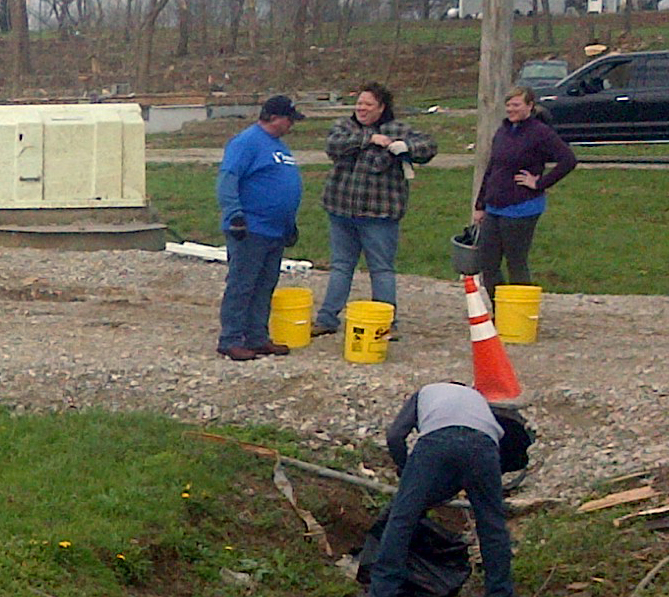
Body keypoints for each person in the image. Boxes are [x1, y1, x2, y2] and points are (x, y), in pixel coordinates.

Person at [370, 382, 531, 597]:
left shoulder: (425, 392)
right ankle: (500, 592)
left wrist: (406, 470)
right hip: (484, 446)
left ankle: (383, 590)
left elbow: (395, 436)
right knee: (492, 526)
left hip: (437, 441)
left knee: (402, 519)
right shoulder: (477, 399)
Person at [314, 83, 438, 337]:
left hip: (380, 217)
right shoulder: (344, 127)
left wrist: (406, 148)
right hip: (341, 212)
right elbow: (333, 146)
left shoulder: (399, 129)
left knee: (381, 269)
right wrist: (368, 139)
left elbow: (429, 146)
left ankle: (386, 323)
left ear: (382, 108)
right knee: (341, 267)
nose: (361, 108)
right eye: (359, 103)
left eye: (368, 104)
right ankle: (327, 319)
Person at [216, 95, 305, 361]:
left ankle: (257, 337)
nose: (292, 125)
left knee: (265, 285)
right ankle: (231, 338)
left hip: (275, 230)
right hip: (251, 228)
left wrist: (288, 224)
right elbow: (228, 179)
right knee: (243, 284)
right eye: (290, 119)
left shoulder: (278, 146)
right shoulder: (246, 142)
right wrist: (235, 215)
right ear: (275, 117)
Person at [473, 87, 577, 293]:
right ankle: (500, 310)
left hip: (522, 207)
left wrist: (539, 184)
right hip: (494, 206)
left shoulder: (540, 132)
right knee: (488, 263)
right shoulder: (502, 131)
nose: (511, 110)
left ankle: (521, 313)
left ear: (529, 106)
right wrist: (480, 205)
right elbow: (492, 168)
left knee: (516, 263)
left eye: (516, 105)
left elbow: (568, 160)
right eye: (508, 105)